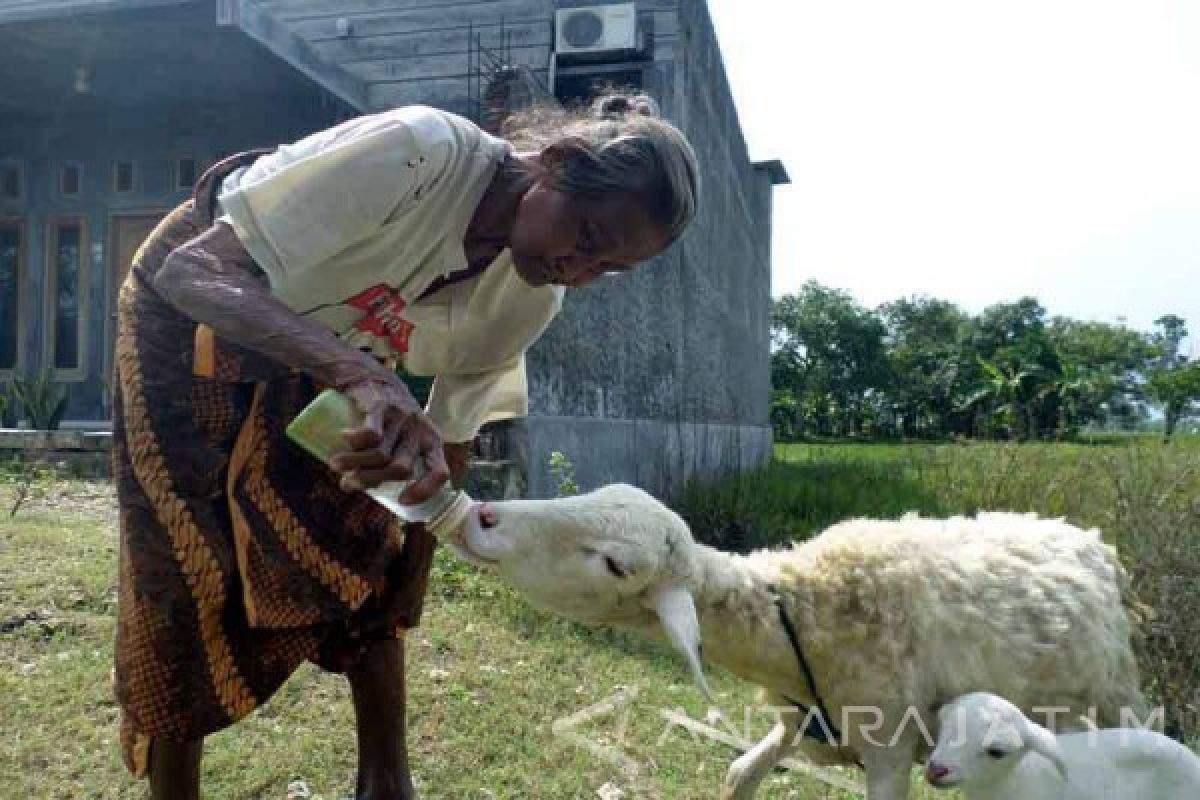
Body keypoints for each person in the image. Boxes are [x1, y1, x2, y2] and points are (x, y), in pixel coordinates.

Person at [111, 91, 699, 800]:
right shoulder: (418, 152)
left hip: (326, 349)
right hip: (191, 311)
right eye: (585, 236)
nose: (577, 269)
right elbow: (195, 273)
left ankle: (387, 785)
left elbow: (449, 441)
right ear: (558, 162)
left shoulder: (529, 298)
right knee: (185, 561)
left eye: (604, 270)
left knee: (369, 546)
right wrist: (361, 374)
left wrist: (416, 559)